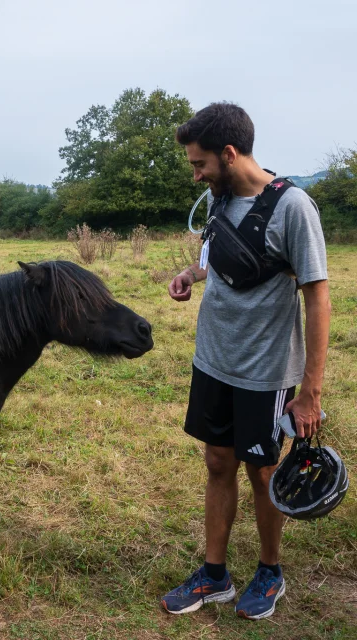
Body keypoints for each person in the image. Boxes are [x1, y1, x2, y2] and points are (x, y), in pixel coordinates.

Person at [161, 103, 331, 620]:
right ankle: (214, 577)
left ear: (229, 154)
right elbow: (222, 257)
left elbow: (318, 298)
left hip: (266, 371)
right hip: (214, 361)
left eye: (200, 164)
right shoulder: (220, 200)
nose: (196, 174)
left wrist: (310, 392)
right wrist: (192, 274)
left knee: (263, 472)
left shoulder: (293, 207)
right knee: (217, 462)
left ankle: (270, 572)